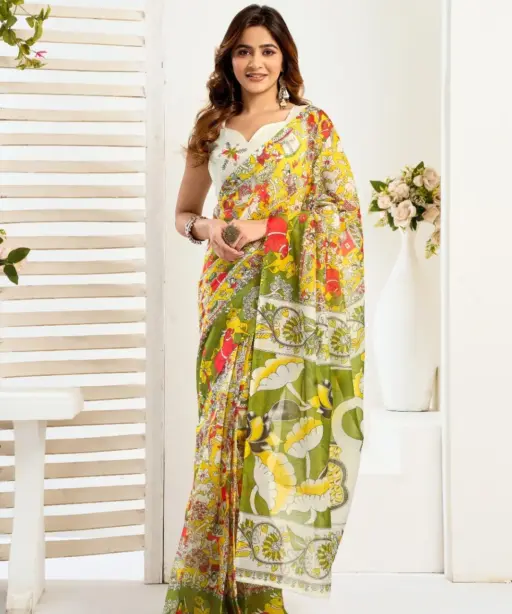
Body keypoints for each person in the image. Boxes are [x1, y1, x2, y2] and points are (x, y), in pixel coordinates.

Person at [163, 4, 365, 613]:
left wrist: (266, 227)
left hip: (289, 301)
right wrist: (210, 227)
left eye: (268, 51)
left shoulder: (311, 127)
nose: (255, 62)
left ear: (285, 59)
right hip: (226, 295)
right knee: (219, 434)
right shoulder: (211, 127)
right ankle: (205, 588)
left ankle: (257, 589)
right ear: (229, 58)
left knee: (267, 438)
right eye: (244, 51)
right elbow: (183, 214)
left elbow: (342, 215)